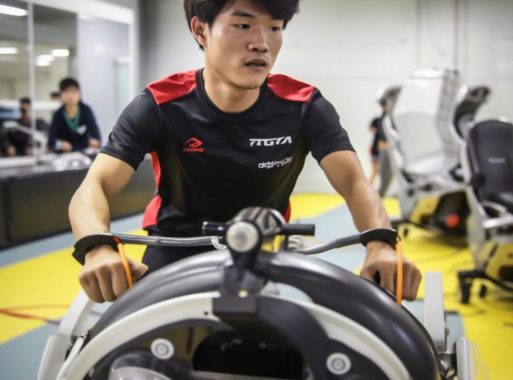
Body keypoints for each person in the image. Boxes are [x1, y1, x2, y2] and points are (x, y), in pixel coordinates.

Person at [69, 0, 422, 303]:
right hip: (175, 251)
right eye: (242, 24)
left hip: (265, 250)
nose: (261, 43)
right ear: (200, 30)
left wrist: (380, 242)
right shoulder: (159, 105)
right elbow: (93, 187)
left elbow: (355, 182)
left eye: (275, 27)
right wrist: (98, 248)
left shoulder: (304, 106)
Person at [47, 78, 101, 153]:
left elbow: (97, 137)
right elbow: (51, 140)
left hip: (84, 154)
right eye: (66, 92)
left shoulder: (86, 111)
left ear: (79, 94)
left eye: (73, 92)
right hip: (64, 156)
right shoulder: (58, 114)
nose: (70, 96)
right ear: (61, 95)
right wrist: (60, 144)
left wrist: (94, 142)